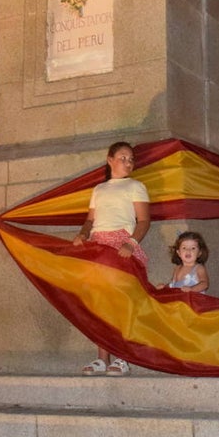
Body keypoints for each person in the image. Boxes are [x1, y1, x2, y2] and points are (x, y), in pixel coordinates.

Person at [72, 141, 151, 376]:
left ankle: (123, 357)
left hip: (121, 246)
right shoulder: (99, 189)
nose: (128, 163)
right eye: (123, 158)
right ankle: (102, 359)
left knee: (120, 303)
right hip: (98, 246)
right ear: (110, 160)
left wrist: (131, 243)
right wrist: (84, 233)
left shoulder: (136, 186)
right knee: (100, 304)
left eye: (131, 159)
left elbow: (144, 221)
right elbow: (90, 219)